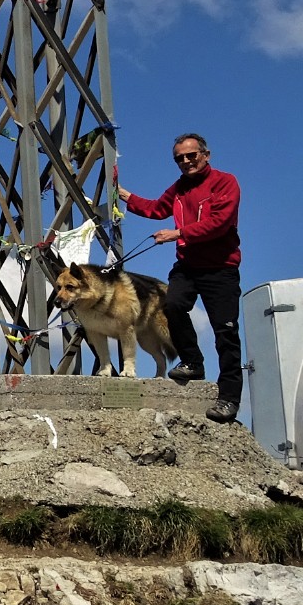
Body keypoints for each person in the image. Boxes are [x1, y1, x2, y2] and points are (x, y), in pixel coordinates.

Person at [119, 132, 242, 424]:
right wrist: (125, 195)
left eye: (191, 156)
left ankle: (228, 398)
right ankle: (193, 362)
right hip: (188, 266)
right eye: (180, 159)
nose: (186, 162)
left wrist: (179, 233)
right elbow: (157, 208)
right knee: (172, 305)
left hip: (220, 268)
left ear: (206, 155)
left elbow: (220, 223)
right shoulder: (179, 187)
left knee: (225, 333)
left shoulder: (226, 182)